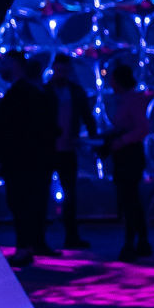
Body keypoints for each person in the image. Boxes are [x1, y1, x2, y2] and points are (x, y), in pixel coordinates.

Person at [0, 56, 58, 261]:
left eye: (5, 63)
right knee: (34, 201)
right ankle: (33, 244)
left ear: (16, 66)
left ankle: (25, 247)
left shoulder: (17, 94)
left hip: (19, 159)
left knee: (20, 202)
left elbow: (5, 129)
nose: (2, 68)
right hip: (37, 158)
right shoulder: (35, 93)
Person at [101, 59, 154, 260]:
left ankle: (131, 244)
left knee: (130, 200)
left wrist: (121, 140)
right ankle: (141, 242)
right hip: (127, 154)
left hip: (129, 155)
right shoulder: (126, 99)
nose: (110, 84)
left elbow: (142, 128)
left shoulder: (132, 100)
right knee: (132, 200)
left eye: (112, 80)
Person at [47, 54, 97, 257]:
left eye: (65, 70)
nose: (62, 74)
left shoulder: (75, 92)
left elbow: (87, 116)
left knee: (70, 194)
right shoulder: (46, 91)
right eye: (60, 70)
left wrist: (93, 139)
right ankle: (40, 239)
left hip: (67, 148)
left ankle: (71, 236)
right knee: (44, 193)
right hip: (49, 149)